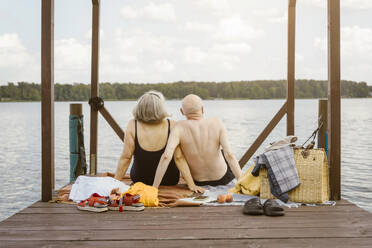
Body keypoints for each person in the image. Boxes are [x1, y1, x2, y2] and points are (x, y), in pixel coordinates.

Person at [114, 91, 204, 193]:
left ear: (140, 107)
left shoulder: (132, 125)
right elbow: (179, 158)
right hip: (169, 179)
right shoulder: (172, 125)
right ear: (161, 108)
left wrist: (114, 183)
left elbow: (126, 158)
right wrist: (191, 185)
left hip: (140, 179)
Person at [153, 94, 243, 188]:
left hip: (198, 182)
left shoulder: (178, 127)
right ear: (203, 109)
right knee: (223, 153)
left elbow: (166, 156)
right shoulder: (217, 123)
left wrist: (154, 187)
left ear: (182, 112)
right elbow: (230, 155)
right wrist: (242, 183)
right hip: (223, 179)